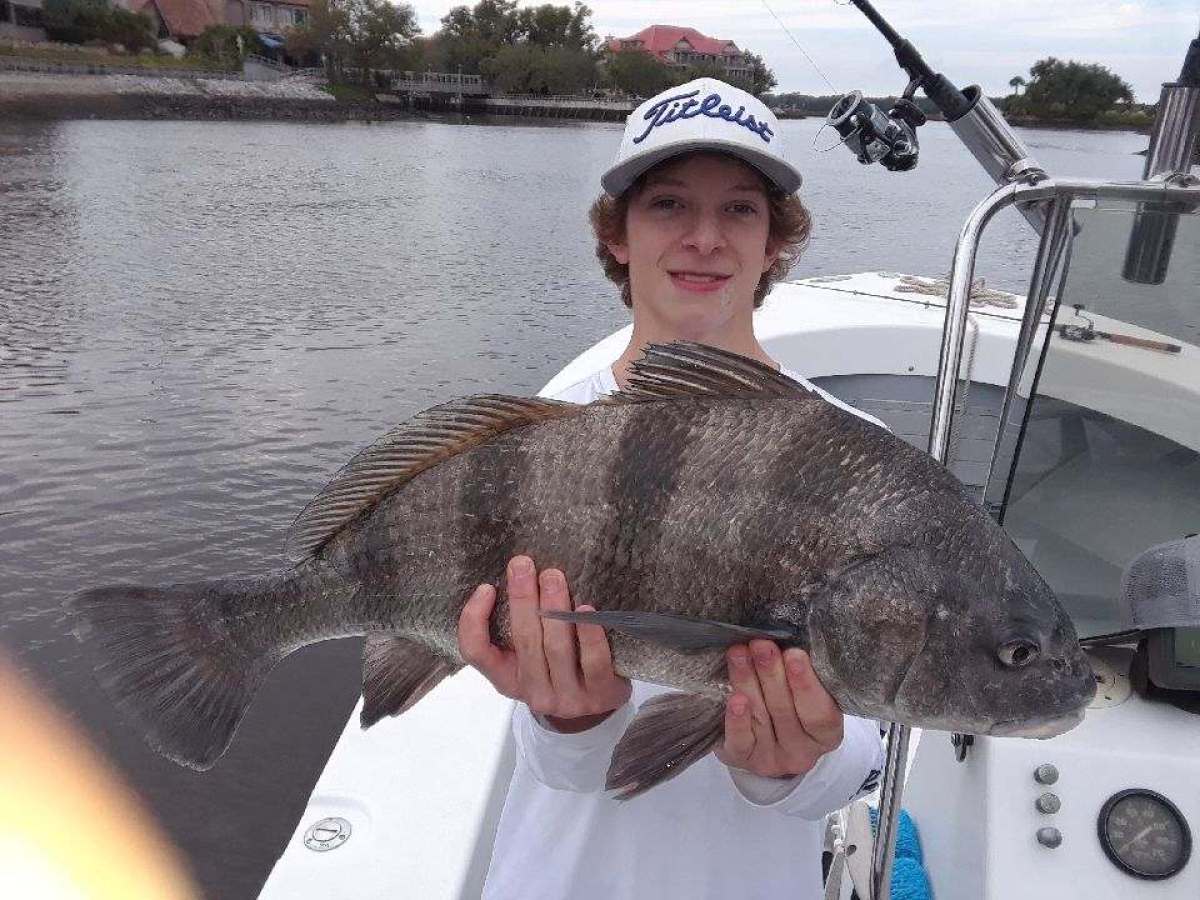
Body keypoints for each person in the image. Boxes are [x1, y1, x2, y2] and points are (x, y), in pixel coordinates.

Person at [458, 78, 887, 899]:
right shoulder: (541, 447)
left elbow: (866, 751)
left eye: (739, 210)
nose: (704, 238)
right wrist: (570, 720)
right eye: (667, 205)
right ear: (616, 236)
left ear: (774, 244)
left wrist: (795, 766)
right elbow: (559, 765)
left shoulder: (858, 462)